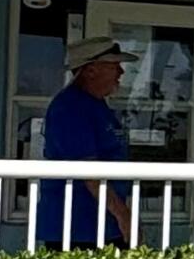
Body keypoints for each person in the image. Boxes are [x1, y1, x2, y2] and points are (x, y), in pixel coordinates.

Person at [34, 35, 136, 247]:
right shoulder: (71, 107)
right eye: (114, 66)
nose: (121, 72)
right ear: (90, 70)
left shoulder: (96, 105)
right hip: (77, 228)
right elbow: (88, 170)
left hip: (102, 225)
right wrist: (123, 216)